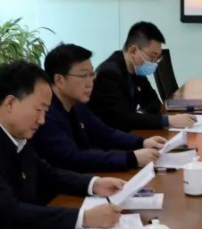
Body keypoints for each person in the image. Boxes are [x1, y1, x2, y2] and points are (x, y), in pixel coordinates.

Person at [0, 61, 126, 229]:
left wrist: (93, 184)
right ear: (10, 103)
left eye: (45, 111)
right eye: (38, 110)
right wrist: (84, 218)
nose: (42, 120)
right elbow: (9, 212)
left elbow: (44, 172)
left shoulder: (14, 128)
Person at [32, 43, 166, 173]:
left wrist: (142, 142)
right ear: (59, 80)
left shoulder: (77, 105)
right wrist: (131, 158)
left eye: (92, 74)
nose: (90, 83)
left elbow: (105, 133)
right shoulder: (45, 115)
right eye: (83, 76)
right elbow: (73, 158)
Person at [89, 22, 197, 132]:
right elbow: (122, 118)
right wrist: (168, 120)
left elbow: (153, 103)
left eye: (157, 58)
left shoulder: (135, 69)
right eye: (152, 56)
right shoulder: (108, 74)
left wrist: (140, 115)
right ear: (133, 51)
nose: (154, 63)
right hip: (108, 137)